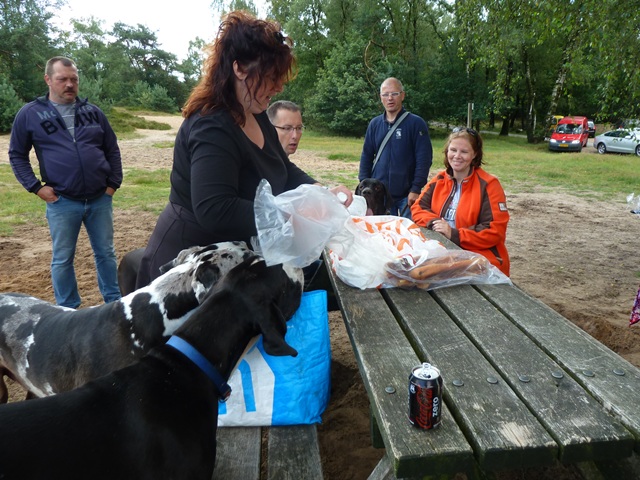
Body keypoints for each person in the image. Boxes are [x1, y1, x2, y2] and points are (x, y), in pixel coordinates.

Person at [135, 11, 352, 289]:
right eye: (271, 76)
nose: (279, 86)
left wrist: (321, 192)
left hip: (231, 258)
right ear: (239, 69)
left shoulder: (257, 114)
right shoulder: (211, 125)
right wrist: (289, 214)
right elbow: (215, 208)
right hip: (188, 266)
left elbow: (283, 169)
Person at [8, 56, 123, 309]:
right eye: (62, 79)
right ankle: (68, 309)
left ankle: (113, 304)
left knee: (106, 253)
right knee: (62, 258)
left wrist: (113, 184)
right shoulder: (30, 114)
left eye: (74, 79)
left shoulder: (93, 112)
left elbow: (111, 149)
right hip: (62, 201)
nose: (69, 84)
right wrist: (36, 187)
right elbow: (17, 154)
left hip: (99, 198)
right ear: (48, 80)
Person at [410, 128, 510, 276]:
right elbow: (418, 207)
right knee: (405, 269)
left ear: (474, 154)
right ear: (447, 151)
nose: (457, 156)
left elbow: (494, 231)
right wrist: (435, 223)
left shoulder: (489, 185)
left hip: (480, 260)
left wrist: (454, 234)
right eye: (453, 150)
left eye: (464, 152)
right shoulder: (439, 180)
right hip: (443, 251)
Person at [359, 77, 432, 219]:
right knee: (380, 231)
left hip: (407, 195)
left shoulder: (416, 124)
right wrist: (364, 183)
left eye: (394, 94)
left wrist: (416, 188)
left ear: (402, 95)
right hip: (379, 195)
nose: (390, 98)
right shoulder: (375, 124)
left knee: (406, 231)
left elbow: (424, 159)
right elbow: (366, 156)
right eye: (385, 94)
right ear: (380, 97)